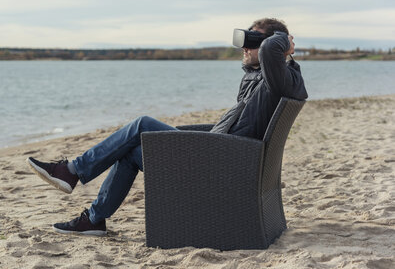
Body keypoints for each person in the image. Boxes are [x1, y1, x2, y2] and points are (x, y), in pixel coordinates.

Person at [26, 18, 308, 236]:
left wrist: (281, 39)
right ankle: (94, 219)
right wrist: (261, 47)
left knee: (142, 124)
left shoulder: (279, 77)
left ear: (276, 45)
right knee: (129, 152)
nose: (244, 47)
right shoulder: (268, 77)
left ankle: (73, 171)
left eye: (252, 40)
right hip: (222, 155)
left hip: (221, 163)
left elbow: (270, 49)